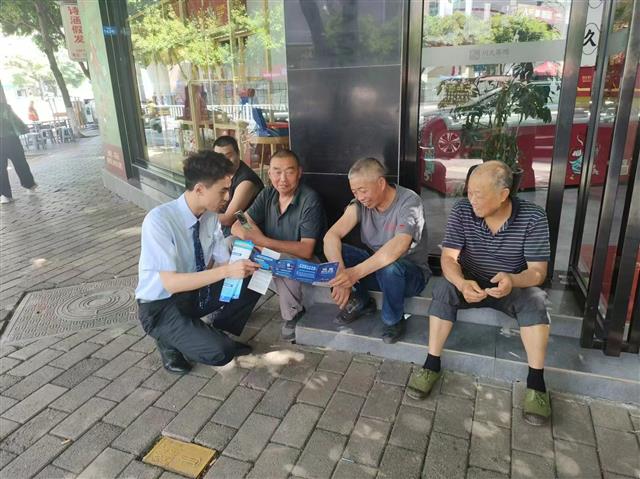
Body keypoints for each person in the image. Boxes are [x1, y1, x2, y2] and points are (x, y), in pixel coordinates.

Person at [407, 161, 552, 425]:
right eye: (469, 192)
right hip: (470, 281)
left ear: (503, 194)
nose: (471, 199)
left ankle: (536, 384)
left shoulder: (533, 216)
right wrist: (462, 283)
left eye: (478, 194)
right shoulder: (463, 210)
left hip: (510, 285)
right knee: (443, 288)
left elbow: (538, 272)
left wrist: (512, 280)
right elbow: (448, 259)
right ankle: (431, 365)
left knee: (536, 300)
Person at [135, 150, 262, 374]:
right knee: (221, 352)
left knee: (255, 277)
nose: (228, 197)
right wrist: (228, 271)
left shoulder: (210, 216)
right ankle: (168, 340)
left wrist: (245, 262)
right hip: (161, 306)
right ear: (200, 189)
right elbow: (171, 283)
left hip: (195, 293)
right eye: (223, 191)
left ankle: (215, 331)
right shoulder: (159, 220)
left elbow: (223, 262)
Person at [324, 157, 431, 344]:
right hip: (377, 270)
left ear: (381, 183)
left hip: (410, 275)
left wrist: (354, 273)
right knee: (338, 252)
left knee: (390, 267)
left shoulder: (409, 201)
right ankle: (362, 301)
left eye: (363, 190)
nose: (360, 197)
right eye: (355, 192)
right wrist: (340, 275)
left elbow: (399, 246)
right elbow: (331, 236)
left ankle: (393, 319)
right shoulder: (359, 204)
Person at [231, 149, 326, 341]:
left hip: (307, 263)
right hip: (268, 253)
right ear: (269, 173)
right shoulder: (268, 193)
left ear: (299, 172)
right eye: (277, 171)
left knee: (280, 260)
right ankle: (229, 304)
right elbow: (239, 221)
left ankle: (293, 314)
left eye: (289, 172)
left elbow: (306, 250)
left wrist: (263, 242)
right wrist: (252, 236)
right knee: (230, 243)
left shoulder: (309, 199)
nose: (282, 179)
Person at [213, 135, 264, 235]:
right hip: (228, 227)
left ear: (238, 154)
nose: (223, 161)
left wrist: (202, 216)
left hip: (247, 229)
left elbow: (228, 218)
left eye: (228, 156)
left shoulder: (246, 181)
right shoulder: (220, 174)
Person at [1, 98, 37, 204]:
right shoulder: (4, 107)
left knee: (0, 169)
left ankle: (4, 196)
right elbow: (15, 121)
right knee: (20, 163)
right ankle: (30, 187)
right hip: (11, 139)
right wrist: (23, 129)